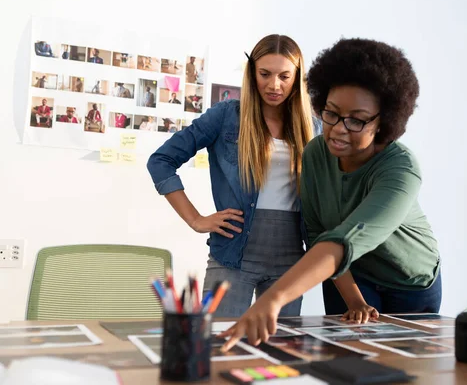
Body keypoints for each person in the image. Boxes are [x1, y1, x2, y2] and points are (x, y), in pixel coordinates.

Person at [219, 38, 441, 351]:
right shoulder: (314, 154)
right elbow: (319, 233)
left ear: (383, 123)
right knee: (346, 361)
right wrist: (354, 299)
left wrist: (274, 298)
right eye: (331, 113)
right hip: (344, 273)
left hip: (408, 280)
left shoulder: (401, 168)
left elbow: (350, 236)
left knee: (403, 366)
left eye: (356, 120)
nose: (337, 128)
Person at [147, 34, 317, 318]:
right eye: (265, 74)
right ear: (252, 74)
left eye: (284, 76)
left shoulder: (313, 127)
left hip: (291, 260)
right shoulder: (226, 116)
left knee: (281, 351)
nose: (274, 85)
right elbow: (161, 161)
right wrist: (196, 220)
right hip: (232, 255)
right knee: (218, 345)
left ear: (297, 77)